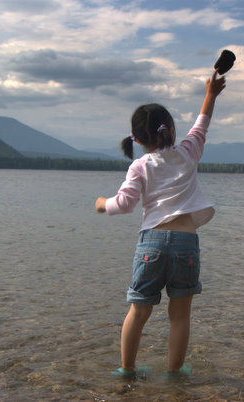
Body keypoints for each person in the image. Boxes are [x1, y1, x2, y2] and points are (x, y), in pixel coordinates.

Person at [95, 69, 226, 378]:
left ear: (137, 139)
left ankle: (126, 370)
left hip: (151, 243)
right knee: (180, 316)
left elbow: (125, 204)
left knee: (138, 312)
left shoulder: (139, 165)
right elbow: (201, 124)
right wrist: (210, 94)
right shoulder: (188, 152)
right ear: (171, 131)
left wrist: (103, 204)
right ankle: (174, 374)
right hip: (185, 243)